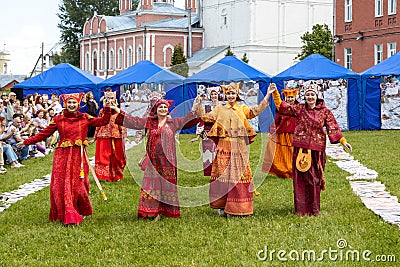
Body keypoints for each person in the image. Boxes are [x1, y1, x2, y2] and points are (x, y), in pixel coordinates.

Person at [17, 92, 119, 225]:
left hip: (79, 156)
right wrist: (26, 142)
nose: (71, 105)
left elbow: (103, 121)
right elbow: (44, 134)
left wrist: (106, 108)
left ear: (78, 104)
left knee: (79, 185)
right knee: (62, 184)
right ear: (65, 104)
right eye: (69, 103)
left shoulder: (84, 117)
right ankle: (67, 211)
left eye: (74, 103)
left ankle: (79, 209)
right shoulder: (58, 119)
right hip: (62, 156)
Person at [267, 83, 352, 216]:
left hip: (317, 152)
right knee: (300, 180)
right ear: (304, 96)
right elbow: (283, 107)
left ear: (317, 96)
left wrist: (342, 141)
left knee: (314, 180)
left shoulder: (325, 112)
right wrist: (275, 93)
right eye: (307, 94)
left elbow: (333, 127)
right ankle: (301, 210)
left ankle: (313, 209)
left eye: (312, 94)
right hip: (300, 150)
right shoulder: (299, 108)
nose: (310, 97)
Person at [194, 82, 273, 217]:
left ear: (237, 95)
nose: (231, 96)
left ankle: (239, 207)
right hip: (224, 146)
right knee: (223, 175)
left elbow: (256, 110)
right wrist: (198, 105)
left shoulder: (242, 108)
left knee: (239, 175)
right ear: (225, 95)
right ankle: (223, 206)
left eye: (233, 93)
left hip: (239, 146)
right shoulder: (219, 109)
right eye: (228, 93)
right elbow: (206, 118)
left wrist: (268, 95)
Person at [114, 98, 198, 220]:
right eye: (160, 107)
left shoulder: (173, 123)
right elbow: (134, 122)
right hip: (153, 161)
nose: (163, 109)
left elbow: (187, 121)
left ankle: (165, 211)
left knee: (167, 185)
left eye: (165, 107)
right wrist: (118, 110)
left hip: (168, 162)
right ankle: (151, 211)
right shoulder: (150, 122)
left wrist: (194, 108)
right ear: (156, 110)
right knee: (151, 186)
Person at [262, 88, 299, 178]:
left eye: (292, 97)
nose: (290, 99)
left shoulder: (299, 108)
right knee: (281, 153)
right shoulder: (282, 107)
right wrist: (274, 91)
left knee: (293, 153)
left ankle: (292, 170)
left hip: (294, 135)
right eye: (288, 97)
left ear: (295, 98)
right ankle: (282, 171)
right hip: (282, 135)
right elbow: (276, 121)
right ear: (286, 98)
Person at [92, 91, 127, 182]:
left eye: (112, 98)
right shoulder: (102, 111)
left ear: (115, 100)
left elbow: (123, 123)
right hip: (103, 136)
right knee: (104, 157)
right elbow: (98, 124)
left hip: (117, 136)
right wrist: (95, 137)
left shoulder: (118, 111)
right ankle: (106, 176)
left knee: (118, 157)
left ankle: (116, 175)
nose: (110, 100)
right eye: (108, 98)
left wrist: (124, 136)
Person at [189, 88, 220, 176]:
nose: (214, 96)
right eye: (212, 95)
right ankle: (209, 172)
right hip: (207, 133)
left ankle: (220, 171)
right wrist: (198, 136)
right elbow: (201, 120)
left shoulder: (222, 106)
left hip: (219, 132)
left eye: (215, 94)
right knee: (208, 153)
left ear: (218, 95)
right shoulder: (207, 107)